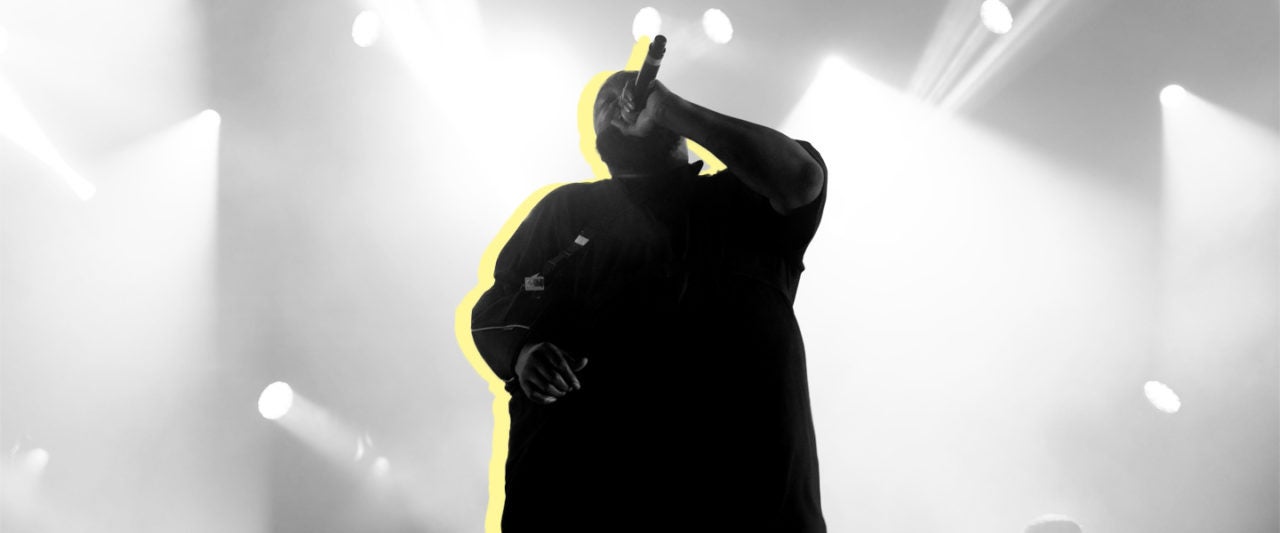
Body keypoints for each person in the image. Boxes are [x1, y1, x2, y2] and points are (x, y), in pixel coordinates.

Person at [470, 69, 828, 532]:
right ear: (596, 140)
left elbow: (802, 178)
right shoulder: (567, 210)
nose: (620, 101)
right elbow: (496, 306)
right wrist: (522, 354)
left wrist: (671, 110)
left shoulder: (741, 202)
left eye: (631, 92)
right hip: (578, 497)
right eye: (604, 103)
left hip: (749, 501)